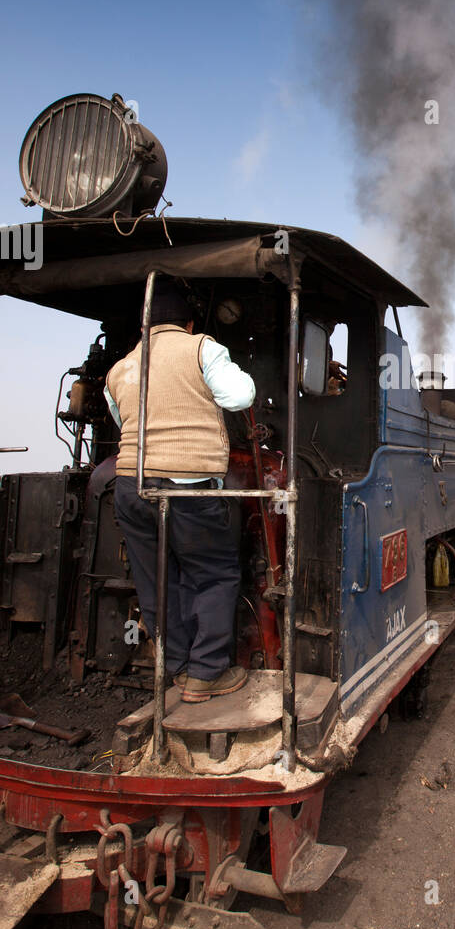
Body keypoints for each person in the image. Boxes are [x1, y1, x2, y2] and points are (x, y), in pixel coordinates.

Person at [105, 278, 256, 704]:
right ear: (188, 324)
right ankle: (206, 674)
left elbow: (123, 420)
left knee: (156, 580)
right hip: (187, 487)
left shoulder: (121, 368)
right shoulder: (201, 347)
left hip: (131, 487)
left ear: (143, 330)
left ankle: (176, 669)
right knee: (212, 574)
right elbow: (241, 396)